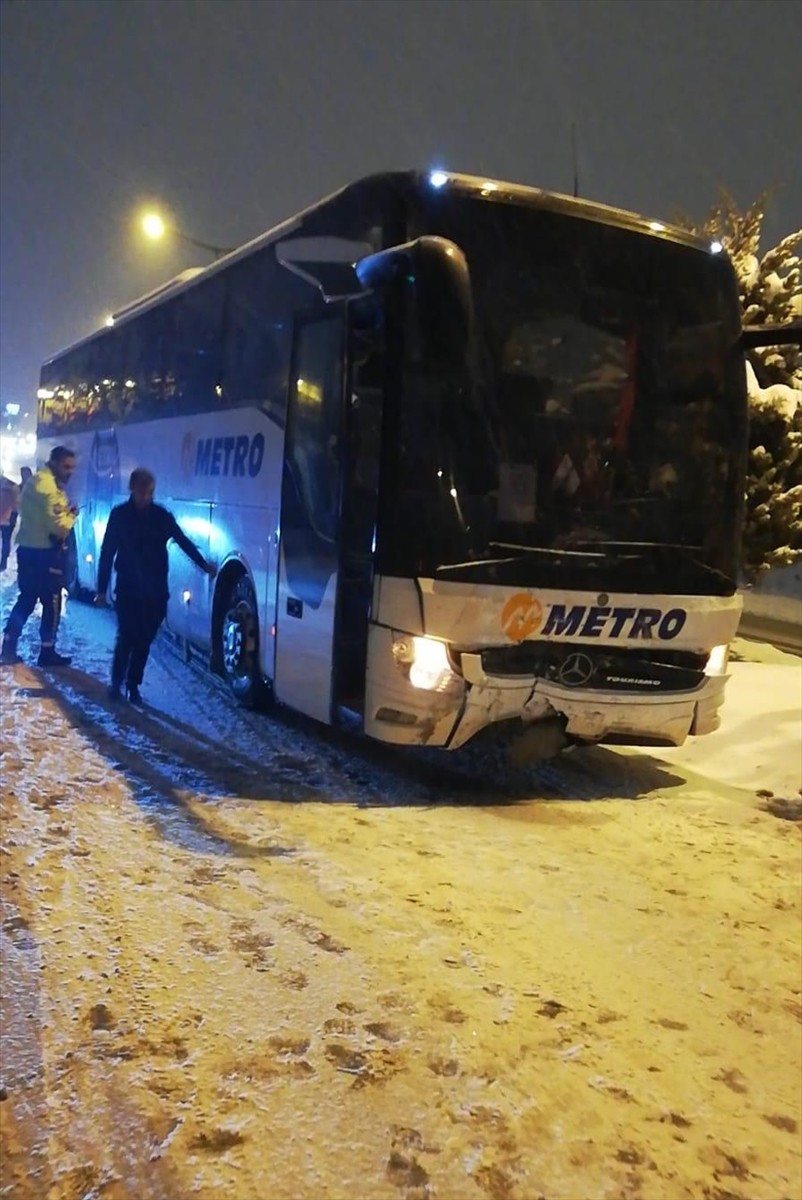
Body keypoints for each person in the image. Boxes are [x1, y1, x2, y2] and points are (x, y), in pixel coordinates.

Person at [96, 467, 217, 703]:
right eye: (142, 490)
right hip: (129, 587)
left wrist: (203, 565)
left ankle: (132, 683)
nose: (145, 496)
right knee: (127, 636)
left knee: (144, 639)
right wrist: (101, 589)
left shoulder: (161, 516)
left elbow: (182, 541)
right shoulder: (120, 515)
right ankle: (119, 683)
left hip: (155, 591)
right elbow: (107, 552)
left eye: (149, 491)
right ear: (132, 488)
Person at [1, 447, 77, 666]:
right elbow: (59, 527)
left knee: (26, 599)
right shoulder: (49, 488)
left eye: (72, 467)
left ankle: (9, 644)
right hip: (45, 554)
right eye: (66, 467)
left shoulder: (36, 482)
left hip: (28, 550)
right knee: (51, 603)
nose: (70, 472)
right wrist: (71, 515)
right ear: (54, 462)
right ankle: (47, 652)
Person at [0, 467, 33, 573]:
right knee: (6, 540)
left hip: (9, 517)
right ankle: (3, 562)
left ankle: (4, 562)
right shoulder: (14, 486)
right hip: (9, 517)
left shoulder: (16, 487)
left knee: (6, 540)